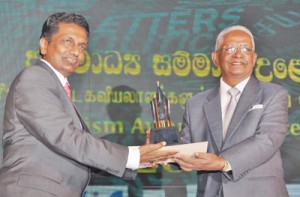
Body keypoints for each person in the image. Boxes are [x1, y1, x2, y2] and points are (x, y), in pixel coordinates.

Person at [0, 12, 178, 197]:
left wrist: (143, 157)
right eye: (68, 42)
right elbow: (67, 139)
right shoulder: (35, 77)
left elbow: (79, 154)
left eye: (82, 46)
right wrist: (133, 156)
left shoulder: (55, 85)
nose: (76, 52)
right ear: (44, 45)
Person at [173, 25, 289, 197]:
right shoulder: (195, 103)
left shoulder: (274, 94)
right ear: (215, 58)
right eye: (230, 48)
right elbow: (187, 148)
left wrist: (223, 162)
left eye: (245, 48)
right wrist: (162, 149)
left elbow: (267, 140)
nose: (238, 54)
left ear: (254, 57)